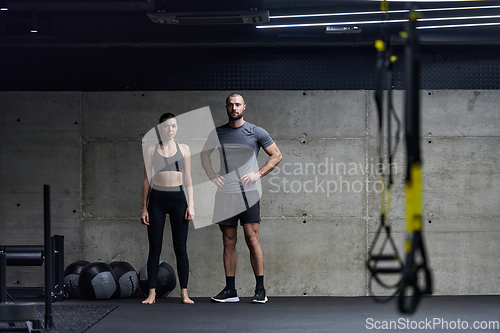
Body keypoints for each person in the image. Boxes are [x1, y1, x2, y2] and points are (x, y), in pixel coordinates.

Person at [201, 93, 282, 304]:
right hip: (225, 194)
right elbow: (204, 154)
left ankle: (260, 290)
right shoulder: (217, 133)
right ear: (226, 107)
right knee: (228, 241)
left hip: (248, 194)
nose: (234, 108)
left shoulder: (256, 131)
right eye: (230, 105)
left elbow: (277, 155)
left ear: (244, 106)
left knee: (252, 239)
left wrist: (258, 174)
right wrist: (211, 174)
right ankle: (230, 291)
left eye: (237, 105)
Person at [140, 113, 195, 305]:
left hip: (179, 200)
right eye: (166, 126)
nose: (170, 130)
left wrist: (191, 204)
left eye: (173, 126)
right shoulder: (150, 149)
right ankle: (152, 293)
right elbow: (147, 179)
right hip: (157, 200)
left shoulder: (185, 149)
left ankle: (184, 293)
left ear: (177, 128)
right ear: (159, 129)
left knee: (181, 248)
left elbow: (188, 178)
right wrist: (143, 207)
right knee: (155, 248)